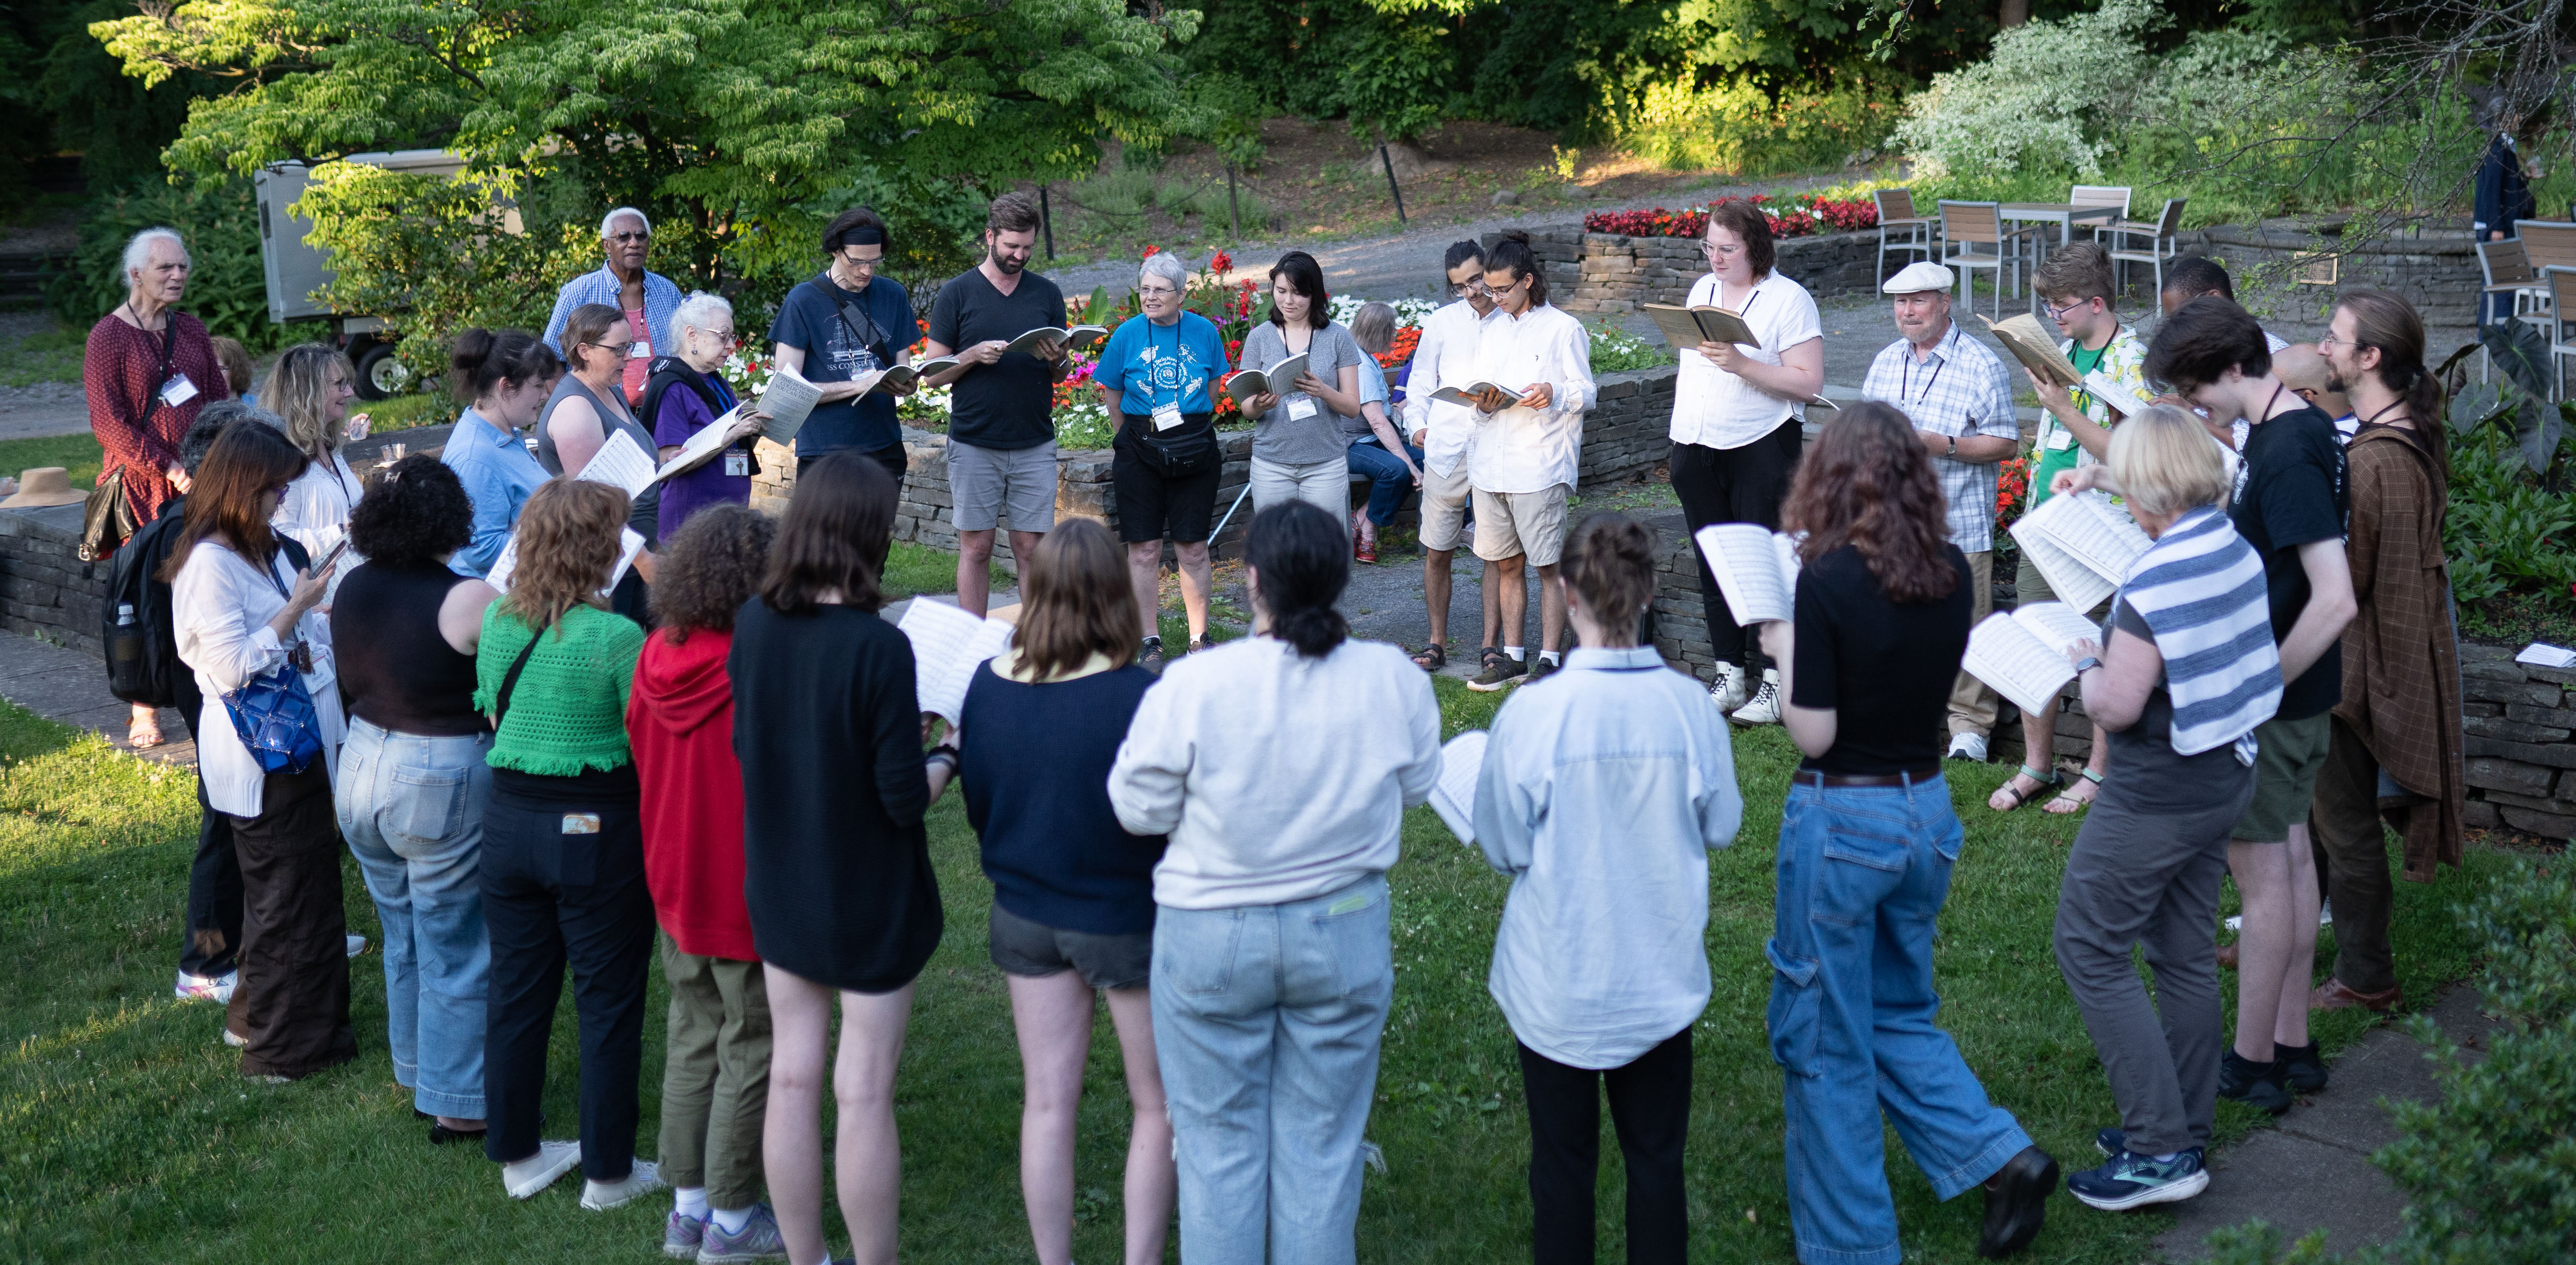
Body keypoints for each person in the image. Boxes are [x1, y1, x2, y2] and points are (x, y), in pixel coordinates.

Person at [1750, 401, 2058, 1264]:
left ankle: (1851, 1248)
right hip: (1925, 809)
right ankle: (2000, 1157)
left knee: (1823, 1037)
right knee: (1894, 1010)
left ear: (1829, 477)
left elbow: (1812, 731)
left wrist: (1781, 643)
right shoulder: (1951, 572)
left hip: (1844, 814)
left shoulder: (1826, 580)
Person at [1108, 500, 1441, 1263]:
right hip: (1344, 929)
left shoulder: (1197, 686)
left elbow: (1135, 806)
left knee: (1217, 1151)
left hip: (1211, 935)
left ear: (1252, 580)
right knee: (1323, 1151)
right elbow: (1419, 784)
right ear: (1343, 575)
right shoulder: (1389, 678)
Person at [1473, 512, 1741, 1265]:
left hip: (1558, 977)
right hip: (1656, 976)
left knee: (1562, 1167)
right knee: (1656, 1164)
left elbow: (1502, 843)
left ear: (1566, 594)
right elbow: (1719, 825)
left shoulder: (1534, 713)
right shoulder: (1689, 709)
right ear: (1650, 590)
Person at [2046, 405, 2282, 1212]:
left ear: (2149, 488)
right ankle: (2185, 1123)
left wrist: (2085, 660)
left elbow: (2113, 706)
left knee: (2087, 943)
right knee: (2181, 951)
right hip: (2226, 772)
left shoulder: (2152, 576)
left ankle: (2156, 1149)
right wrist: (2106, 476)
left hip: (2159, 785)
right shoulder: (2229, 540)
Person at [2129, 296, 2355, 1113]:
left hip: (2281, 699)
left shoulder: (2291, 448)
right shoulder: (2283, 431)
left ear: (2235, 368)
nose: (2195, 409)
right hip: (2293, 696)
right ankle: (2290, 1041)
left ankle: (2252, 1056)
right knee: (2290, 864)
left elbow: (2333, 598)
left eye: (2199, 391)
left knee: (2264, 877)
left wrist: (2256, 691)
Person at [728, 455, 941, 1265]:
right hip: (869, 894)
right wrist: (946, 755)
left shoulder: (754, 622)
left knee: (793, 1075)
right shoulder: (877, 649)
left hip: (783, 879)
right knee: (861, 1092)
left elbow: (755, 743)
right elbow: (901, 798)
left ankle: (806, 1255)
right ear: (867, 535)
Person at [955, 519, 1175, 1265]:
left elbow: (979, 807)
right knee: (1158, 1104)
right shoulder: (1138, 697)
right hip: (1122, 917)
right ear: (1115, 596)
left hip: (1025, 912)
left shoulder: (986, 687)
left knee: (1047, 1103)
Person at [472, 478, 661, 1209]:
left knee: (516, 994)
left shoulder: (497, 622)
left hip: (509, 822)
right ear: (598, 550)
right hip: (594, 828)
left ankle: (517, 1154)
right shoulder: (617, 638)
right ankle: (609, 1173)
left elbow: (491, 713)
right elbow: (642, 740)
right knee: (608, 1000)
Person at [167, 420, 354, 1082]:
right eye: (276, 489)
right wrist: (295, 611)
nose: (284, 500)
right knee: (283, 904)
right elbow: (225, 668)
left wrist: (310, 616)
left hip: (294, 744)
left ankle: (267, 1022)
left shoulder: (262, 547)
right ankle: (276, 1054)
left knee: (301, 895)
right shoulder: (209, 564)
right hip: (258, 755)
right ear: (246, 488)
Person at [626, 503, 789, 1261]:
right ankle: (730, 1215)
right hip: (739, 876)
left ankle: (686, 1205)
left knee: (693, 1028)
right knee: (749, 1037)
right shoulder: (756, 662)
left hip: (673, 869)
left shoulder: (655, 649)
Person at [332, 455, 502, 1142]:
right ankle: (458, 1100)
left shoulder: (351, 587)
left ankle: (415, 1064)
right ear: (450, 519)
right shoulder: (466, 597)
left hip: (363, 763)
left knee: (401, 926)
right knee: (456, 940)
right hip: (436, 774)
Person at [2307, 292, 2465, 1014]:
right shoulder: (2399, 437)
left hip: (2358, 667)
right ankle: (2285, 933)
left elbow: (2350, 581)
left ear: (2370, 357)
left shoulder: (2376, 460)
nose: (2325, 349)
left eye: (2336, 340)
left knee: (2344, 826)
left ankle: (2365, 976)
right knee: (2314, 814)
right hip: (2370, 654)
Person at [1989, 243, 2148, 813]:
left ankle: (2098, 775)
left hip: (2101, 528)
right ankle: (2038, 765)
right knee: (2037, 637)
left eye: (2061, 306)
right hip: (2046, 521)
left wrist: (2062, 409)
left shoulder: (2132, 360)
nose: (2054, 316)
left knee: (2099, 646)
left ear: (2097, 302)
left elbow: (2133, 457)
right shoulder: (2064, 348)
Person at [1666, 199, 1825, 718]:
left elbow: (1809, 383)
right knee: (1715, 561)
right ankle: (1730, 675)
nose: (1715, 257)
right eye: (1709, 246)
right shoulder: (1702, 291)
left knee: (1767, 565)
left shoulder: (1789, 300)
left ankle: (1777, 682)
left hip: (1761, 445)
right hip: (1696, 444)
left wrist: (1740, 363)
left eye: (1726, 249)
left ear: (1754, 247)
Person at [1857, 261, 2018, 748]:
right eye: (1901, 303)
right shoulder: (1887, 361)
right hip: (1894, 522)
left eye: (1919, 300)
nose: (1908, 312)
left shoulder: (1980, 363)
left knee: (1967, 628)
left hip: (1958, 520)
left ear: (1945, 303)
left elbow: (2006, 443)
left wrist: (1941, 444)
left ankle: (1970, 729)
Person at [88, 226, 230, 748]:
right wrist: (169, 467)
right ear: (136, 275)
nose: (177, 276)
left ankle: (204, 689)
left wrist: (221, 459)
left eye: (182, 267)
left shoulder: (190, 330)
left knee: (203, 586)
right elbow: (109, 424)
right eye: (165, 268)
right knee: (146, 596)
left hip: (202, 484)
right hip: (147, 489)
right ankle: (143, 707)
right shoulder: (109, 337)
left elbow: (217, 399)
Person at [1462, 231, 1598, 694]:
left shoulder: (1562, 328)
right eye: (1488, 289)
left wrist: (1554, 392)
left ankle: (1549, 657)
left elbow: (1587, 391)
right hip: (1491, 464)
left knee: (1547, 566)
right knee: (1505, 564)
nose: (1492, 298)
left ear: (1527, 281)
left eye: (1501, 289)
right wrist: (1481, 403)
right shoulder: (1491, 329)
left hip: (1537, 464)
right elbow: (1480, 388)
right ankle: (1513, 656)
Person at [922, 191, 1070, 616]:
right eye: (1011, 247)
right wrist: (971, 356)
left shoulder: (1046, 293)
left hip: (1034, 440)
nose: (1019, 256)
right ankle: (972, 646)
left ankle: (1039, 643)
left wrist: (1058, 359)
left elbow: (1059, 375)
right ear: (990, 237)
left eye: (1027, 247)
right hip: (974, 441)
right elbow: (932, 373)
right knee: (977, 547)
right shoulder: (957, 293)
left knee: (1031, 546)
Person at [162, 405, 253, 1004]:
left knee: (235, 819)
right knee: (221, 820)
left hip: (217, 693)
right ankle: (205, 963)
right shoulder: (191, 537)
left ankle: (237, 947)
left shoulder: (211, 528)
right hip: (211, 695)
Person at [1097, 249, 1225, 672]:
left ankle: (1198, 638)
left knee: (1192, 547)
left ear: (1181, 294)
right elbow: (1113, 394)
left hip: (1194, 446)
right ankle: (1148, 641)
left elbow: (1212, 388)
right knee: (1145, 549)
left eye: (1159, 290)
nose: (1150, 298)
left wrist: (1185, 423)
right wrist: (1129, 435)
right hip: (1138, 449)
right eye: (1144, 289)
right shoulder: (1127, 335)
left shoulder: (1205, 332)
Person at [1402, 240, 1506, 673]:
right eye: (1460, 286)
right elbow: (1420, 381)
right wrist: (1417, 425)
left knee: (1495, 551)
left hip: (1498, 443)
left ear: (1490, 270)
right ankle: (1436, 641)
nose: (1471, 292)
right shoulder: (1442, 323)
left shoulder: (1515, 318)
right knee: (1437, 548)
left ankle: (1490, 645)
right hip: (1446, 446)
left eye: (1476, 280)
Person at [767, 206, 920, 488]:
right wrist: (859, 385)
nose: (866, 271)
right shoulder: (803, 299)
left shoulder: (894, 294)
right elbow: (787, 388)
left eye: (875, 263)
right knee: (824, 535)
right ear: (836, 251)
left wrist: (907, 384)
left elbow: (903, 368)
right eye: (857, 262)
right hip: (825, 451)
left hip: (884, 446)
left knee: (879, 534)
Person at [539, 303, 662, 620]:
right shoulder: (575, 410)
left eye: (630, 346)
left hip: (632, 558)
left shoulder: (611, 389)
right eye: (620, 349)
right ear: (585, 351)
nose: (630, 357)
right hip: (606, 568)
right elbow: (592, 506)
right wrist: (645, 560)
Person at [1236, 249, 1370, 519]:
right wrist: (1259, 405)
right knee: (1276, 551)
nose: (1288, 301)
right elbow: (1247, 410)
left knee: (1322, 551)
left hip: (1325, 464)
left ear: (1314, 294)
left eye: (1298, 293)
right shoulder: (1259, 338)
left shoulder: (1337, 337)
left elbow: (1353, 407)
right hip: (1271, 462)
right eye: (1281, 291)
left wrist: (1324, 392)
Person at [441, 329, 564, 578]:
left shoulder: (502, 433)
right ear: (506, 387)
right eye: (539, 385)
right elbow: (479, 549)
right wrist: (562, 549)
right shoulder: (475, 457)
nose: (545, 395)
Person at [646, 291, 767, 538]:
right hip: (690, 525)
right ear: (692, 335)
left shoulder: (714, 379)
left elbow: (735, 438)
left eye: (731, 337)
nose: (732, 346)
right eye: (723, 336)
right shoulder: (671, 386)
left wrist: (753, 428)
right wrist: (727, 437)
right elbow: (670, 462)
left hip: (725, 518)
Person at [543, 207, 681, 407]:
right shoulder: (578, 292)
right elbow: (551, 359)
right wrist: (567, 405)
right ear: (606, 246)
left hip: (664, 411)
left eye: (641, 236)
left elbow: (683, 352)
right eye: (623, 237)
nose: (634, 243)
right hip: (599, 413)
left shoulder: (667, 291)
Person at [267, 344, 369, 563]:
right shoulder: (285, 462)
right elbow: (276, 539)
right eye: (340, 384)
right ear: (307, 392)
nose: (350, 392)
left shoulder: (330, 449)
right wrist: (343, 531)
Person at [1344, 300, 1427, 564]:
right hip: (1351, 443)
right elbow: (1377, 423)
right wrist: (1407, 464)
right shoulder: (1359, 364)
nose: (1393, 336)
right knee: (1398, 469)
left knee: (1423, 460)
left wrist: (1396, 407)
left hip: (1370, 440)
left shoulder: (1366, 355)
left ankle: (1362, 517)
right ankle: (1369, 527)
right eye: (1391, 330)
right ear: (1379, 332)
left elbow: (1379, 411)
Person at [2269, 344, 2358, 441]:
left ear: (2307, 398)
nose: (2268, 404)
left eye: (2275, 396)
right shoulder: (2368, 430)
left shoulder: (2310, 449)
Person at [2473, 117, 2536, 244]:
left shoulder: (2503, 145)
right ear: (2504, 119)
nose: (2520, 118)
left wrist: (2524, 177)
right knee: (2500, 263)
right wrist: (2496, 227)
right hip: (2497, 226)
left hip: (2504, 222)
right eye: (2516, 114)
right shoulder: (2497, 148)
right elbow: (2491, 188)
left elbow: (2506, 183)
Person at [210, 335, 256, 408]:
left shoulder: (259, 406)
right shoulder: (197, 411)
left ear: (236, 370)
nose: (212, 375)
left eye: (219, 369)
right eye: (208, 369)